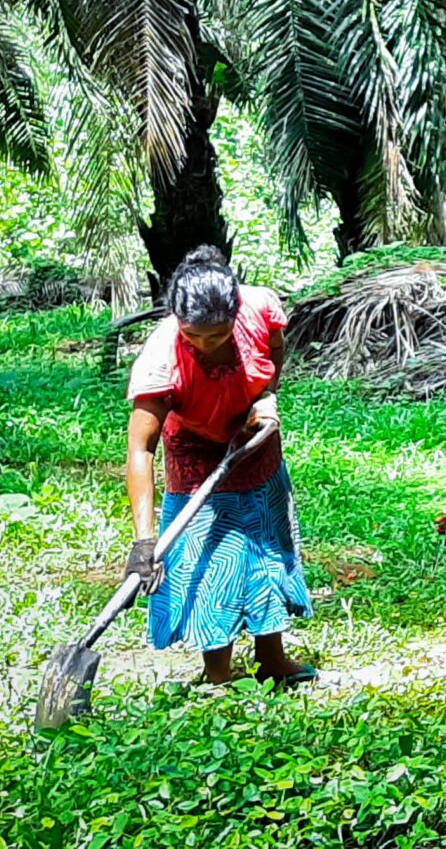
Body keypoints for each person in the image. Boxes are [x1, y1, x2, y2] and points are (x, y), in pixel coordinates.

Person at [124, 245, 314, 687]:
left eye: (218, 334)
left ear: (235, 313)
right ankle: (219, 673)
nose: (206, 345)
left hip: (255, 441)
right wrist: (144, 541)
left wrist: (266, 396)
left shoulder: (260, 307)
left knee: (268, 545)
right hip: (196, 451)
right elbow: (140, 452)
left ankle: (272, 658)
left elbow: (275, 346)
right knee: (211, 560)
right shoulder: (160, 359)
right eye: (195, 337)